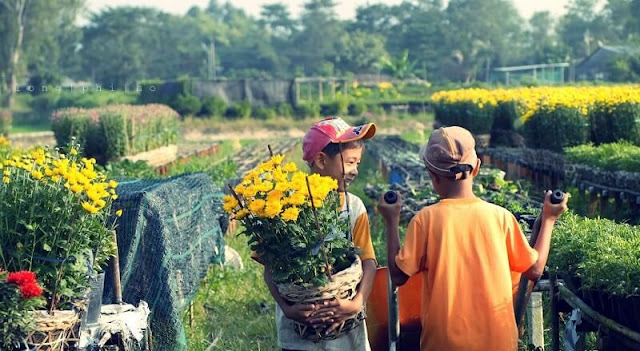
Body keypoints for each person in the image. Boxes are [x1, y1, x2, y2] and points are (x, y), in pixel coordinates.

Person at [377, 126, 568, 351]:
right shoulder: (501, 217)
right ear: (477, 167)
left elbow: (399, 275)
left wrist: (391, 221)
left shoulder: (425, 220)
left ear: (432, 175)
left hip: (444, 343)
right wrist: (548, 220)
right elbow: (534, 269)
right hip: (498, 341)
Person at [262, 116, 378, 351]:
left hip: (346, 334)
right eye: (351, 162)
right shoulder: (286, 207)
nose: (355, 170)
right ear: (321, 161)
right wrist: (288, 309)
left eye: (358, 163)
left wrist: (357, 303)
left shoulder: (353, 207)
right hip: (299, 338)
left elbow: (369, 262)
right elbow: (269, 268)